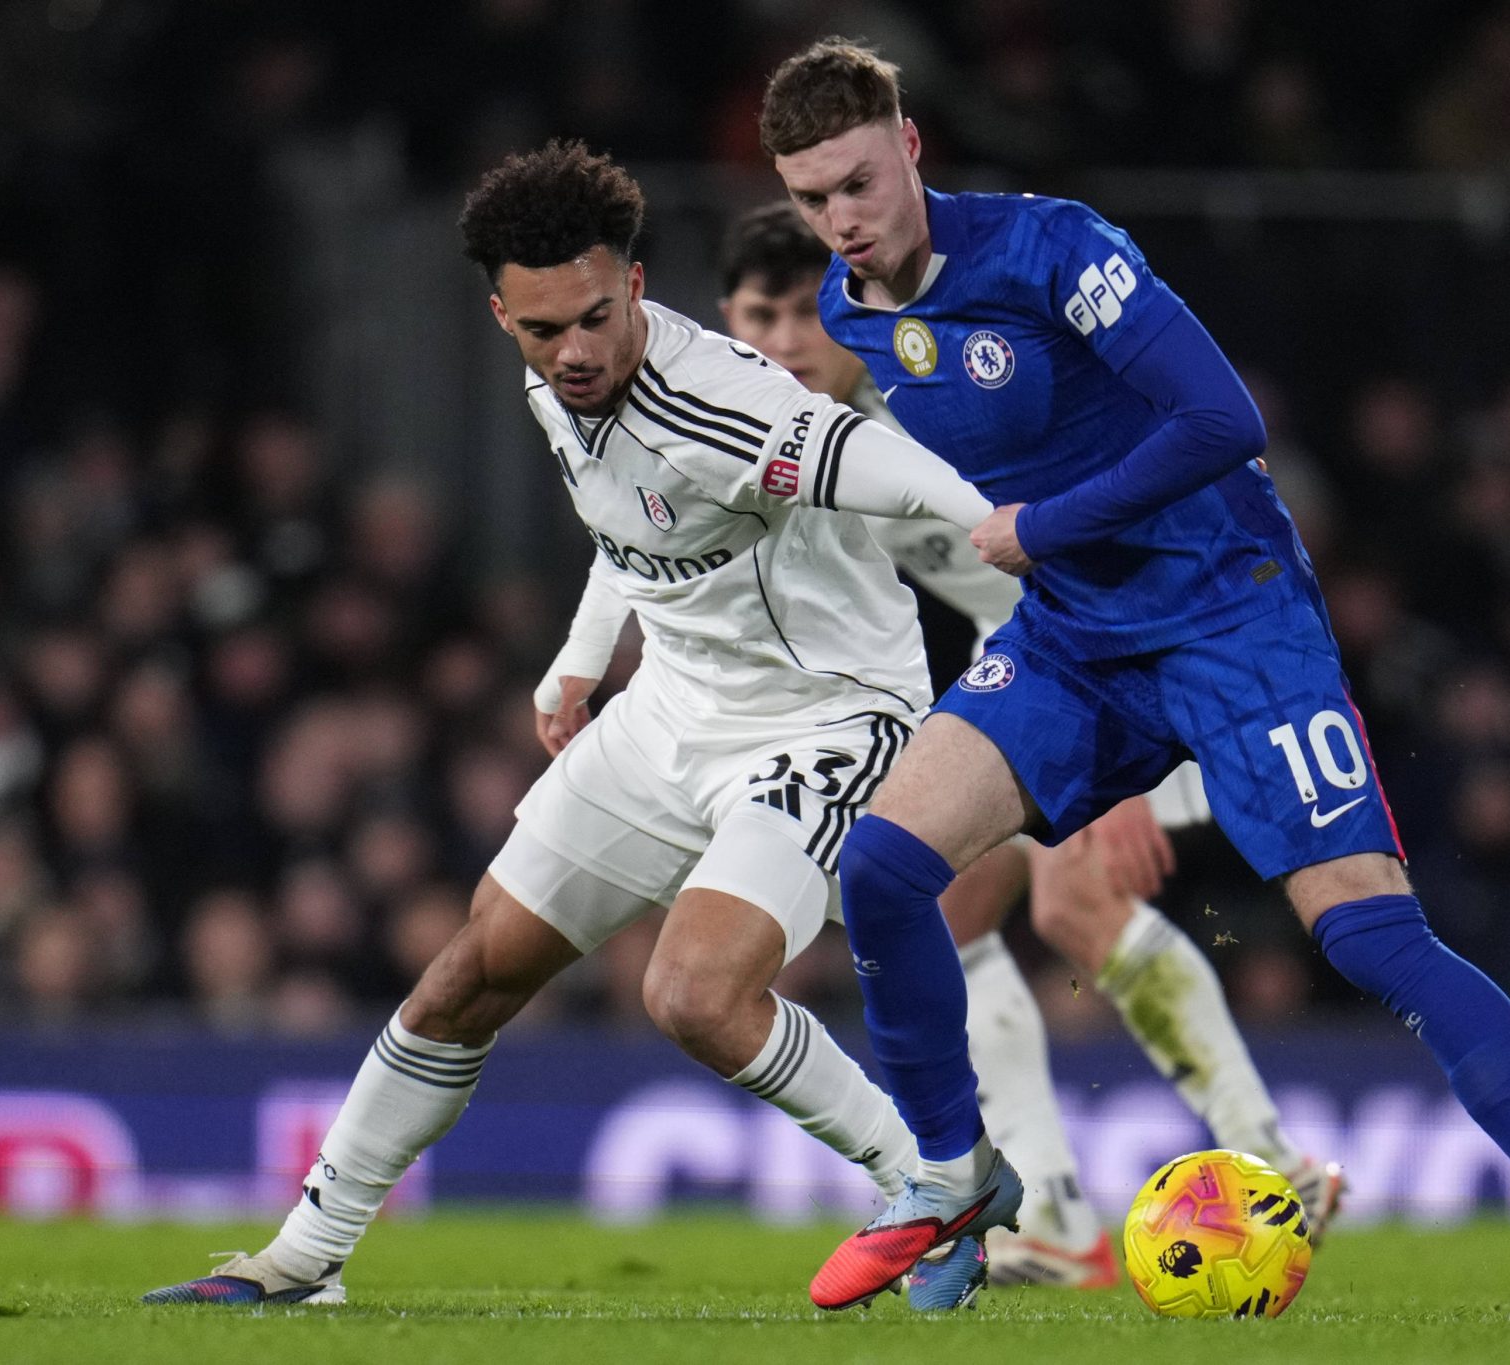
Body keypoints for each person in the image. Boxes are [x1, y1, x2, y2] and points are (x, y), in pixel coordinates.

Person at [759, 39, 1510, 1322]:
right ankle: (949, 1179)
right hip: (1075, 635)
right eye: (811, 198)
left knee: (1365, 933)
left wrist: (1044, 526)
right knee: (879, 868)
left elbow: (1220, 422)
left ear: (909, 147)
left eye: (857, 183)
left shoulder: (1050, 249)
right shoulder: (849, 312)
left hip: (1228, 615)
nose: (840, 221)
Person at [143, 140, 1006, 1311]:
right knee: (467, 975)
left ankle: (932, 1179)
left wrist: (1013, 527)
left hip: (826, 715)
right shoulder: (553, 380)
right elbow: (634, 529)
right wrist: (577, 664)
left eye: (598, 318)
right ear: (503, 317)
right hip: (670, 711)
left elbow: (873, 463)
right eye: (545, 329)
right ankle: (306, 1258)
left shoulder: (723, 403)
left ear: (635, 284)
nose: (577, 351)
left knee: (693, 994)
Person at [714, 201, 1344, 1287]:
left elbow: (1080, 514)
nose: (782, 343)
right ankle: (1051, 1207)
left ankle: (1266, 1160)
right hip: (1039, 652)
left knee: (1074, 904)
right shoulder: (810, 440)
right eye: (754, 319)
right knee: (960, 913)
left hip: (1137, 635)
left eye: (798, 314)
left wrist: (1121, 776)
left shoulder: (928, 404)